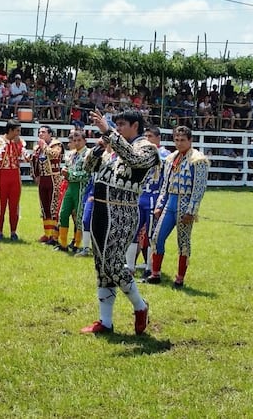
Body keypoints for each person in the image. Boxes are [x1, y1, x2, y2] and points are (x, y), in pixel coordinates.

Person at [79, 110, 158, 335]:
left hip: (122, 212)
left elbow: (134, 160)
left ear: (135, 126)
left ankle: (140, 306)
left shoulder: (147, 148)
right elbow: (88, 168)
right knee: (102, 266)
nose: (118, 128)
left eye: (122, 124)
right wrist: (99, 147)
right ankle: (105, 321)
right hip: (101, 210)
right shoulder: (113, 149)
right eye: (117, 125)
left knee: (112, 264)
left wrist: (109, 133)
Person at [147, 126, 209, 288]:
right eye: (176, 140)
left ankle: (180, 277)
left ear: (190, 140)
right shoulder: (171, 158)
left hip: (185, 204)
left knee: (183, 242)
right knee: (156, 237)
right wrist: (160, 204)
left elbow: (199, 188)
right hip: (170, 203)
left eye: (183, 140)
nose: (179, 143)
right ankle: (155, 273)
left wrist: (192, 211)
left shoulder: (198, 159)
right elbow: (165, 185)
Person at [130, 127, 167, 279]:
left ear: (158, 138)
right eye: (145, 136)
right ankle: (129, 266)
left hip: (154, 197)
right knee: (132, 231)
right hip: (139, 196)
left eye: (150, 136)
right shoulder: (140, 152)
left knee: (152, 235)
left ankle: (150, 268)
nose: (147, 139)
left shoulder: (165, 155)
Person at [0, 119, 28, 241]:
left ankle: (13, 232)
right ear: (10, 130)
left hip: (15, 176)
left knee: (14, 206)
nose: (18, 133)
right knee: (0, 205)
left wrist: (18, 145)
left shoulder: (19, 143)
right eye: (17, 131)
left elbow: (25, 158)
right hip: (1, 177)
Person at [54, 129, 90, 253]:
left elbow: (87, 174)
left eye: (79, 140)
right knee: (63, 214)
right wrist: (65, 171)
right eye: (74, 140)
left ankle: (77, 244)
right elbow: (67, 167)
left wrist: (70, 173)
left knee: (79, 217)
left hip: (82, 187)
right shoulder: (71, 154)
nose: (77, 142)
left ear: (85, 141)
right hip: (70, 186)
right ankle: (63, 243)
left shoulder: (88, 154)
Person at [30, 125, 64, 244]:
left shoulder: (57, 144)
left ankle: (54, 235)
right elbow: (33, 162)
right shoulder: (37, 148)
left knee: (53, 207)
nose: (40, 134)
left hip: (54, 179)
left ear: (50, 134)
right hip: (43, 179)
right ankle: (47, 233)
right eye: (39, 132)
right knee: (44, 207)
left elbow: (55, 154)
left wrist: (44, 146)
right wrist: (35, 175)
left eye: (43, 132)